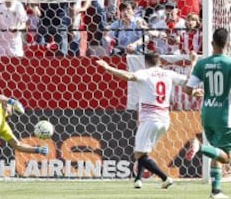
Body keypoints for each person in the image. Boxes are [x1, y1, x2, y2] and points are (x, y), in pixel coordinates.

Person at [96, 52, 198, 189]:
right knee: (144, 152)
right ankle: (138, 180)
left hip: (150, 118)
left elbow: (129, 76)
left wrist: (108, 68)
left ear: (145, 62)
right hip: (164, 119)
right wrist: (193, 62)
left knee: (139, 153)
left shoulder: (145, 73)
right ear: (160, 62)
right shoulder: (167, 73)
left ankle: (165, 178)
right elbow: (188, 81)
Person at [183, 28, 231, 199]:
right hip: (225, 116)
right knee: (226, 158)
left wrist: (195, 92)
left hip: (207, 113)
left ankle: (215, 191)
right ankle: (199, 147)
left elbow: (187, 89)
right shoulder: (229, 64)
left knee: (216, 152)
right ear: (227, 44)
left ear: (212, 43)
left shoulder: (202, 64)